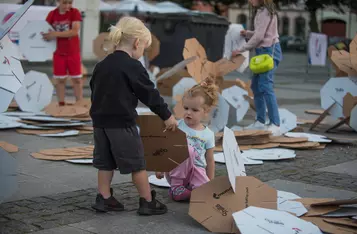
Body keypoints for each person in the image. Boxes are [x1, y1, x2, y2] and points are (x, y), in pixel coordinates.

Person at [89, 16, 178, 215]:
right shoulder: (133, 66)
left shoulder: (101, 65)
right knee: (137, 164)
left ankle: (104, 198)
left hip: (100, 123)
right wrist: (167, 115)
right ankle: (147, 202)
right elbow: (149, 94)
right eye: (144, 49)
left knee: (105, 163)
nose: (142, 53)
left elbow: (94, 89)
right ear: (137, 43)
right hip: (122, 123)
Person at [156, 77, 218, 201]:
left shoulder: (208, 134)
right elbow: (166, 148)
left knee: (205, 194)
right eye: (186, 108)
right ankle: (176, 188)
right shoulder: (177, 126)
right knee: (188, 149)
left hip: (197, 172)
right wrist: (160, 168)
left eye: (194, 110)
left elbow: (210, 160)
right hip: (177, 172)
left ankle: (194, 191)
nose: (188, 113)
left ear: (205, 111)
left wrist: (210, 183)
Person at [232, 0, 283, 136]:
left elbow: (260, 36)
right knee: (255, 86)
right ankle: (260, 121)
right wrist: (248, 33)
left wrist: (240, 49)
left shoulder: (266, 11)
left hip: (269, 51)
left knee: (266, 86)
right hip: (261, 52)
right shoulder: (261, 11)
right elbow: (261, 32)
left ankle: (275, 124)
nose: (249, 1)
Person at [42, 0, 83, 106]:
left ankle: (79, 102)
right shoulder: (52, 14)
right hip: (58, 53)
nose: (68, 6)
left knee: (77, 80)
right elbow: (45, 30)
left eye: (70, 3)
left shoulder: (75, 12)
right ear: (58, 2)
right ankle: (61, 103)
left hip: (73, 52)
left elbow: (74, 31)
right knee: (60, 80)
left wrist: (55, 34)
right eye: (65, 3)